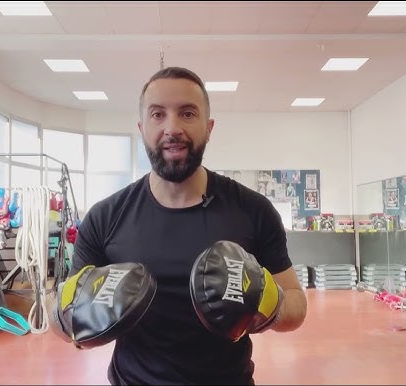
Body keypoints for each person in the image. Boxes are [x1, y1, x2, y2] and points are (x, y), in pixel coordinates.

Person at [69, 66, 307, 385]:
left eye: (187, 113)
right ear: (142, 128)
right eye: (157, 114)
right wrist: (82, 318)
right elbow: (67, 317)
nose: (172, 127)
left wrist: (268, 302)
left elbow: (296, 304)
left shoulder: (253, 210)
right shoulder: (105, 217)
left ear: (208, 128)